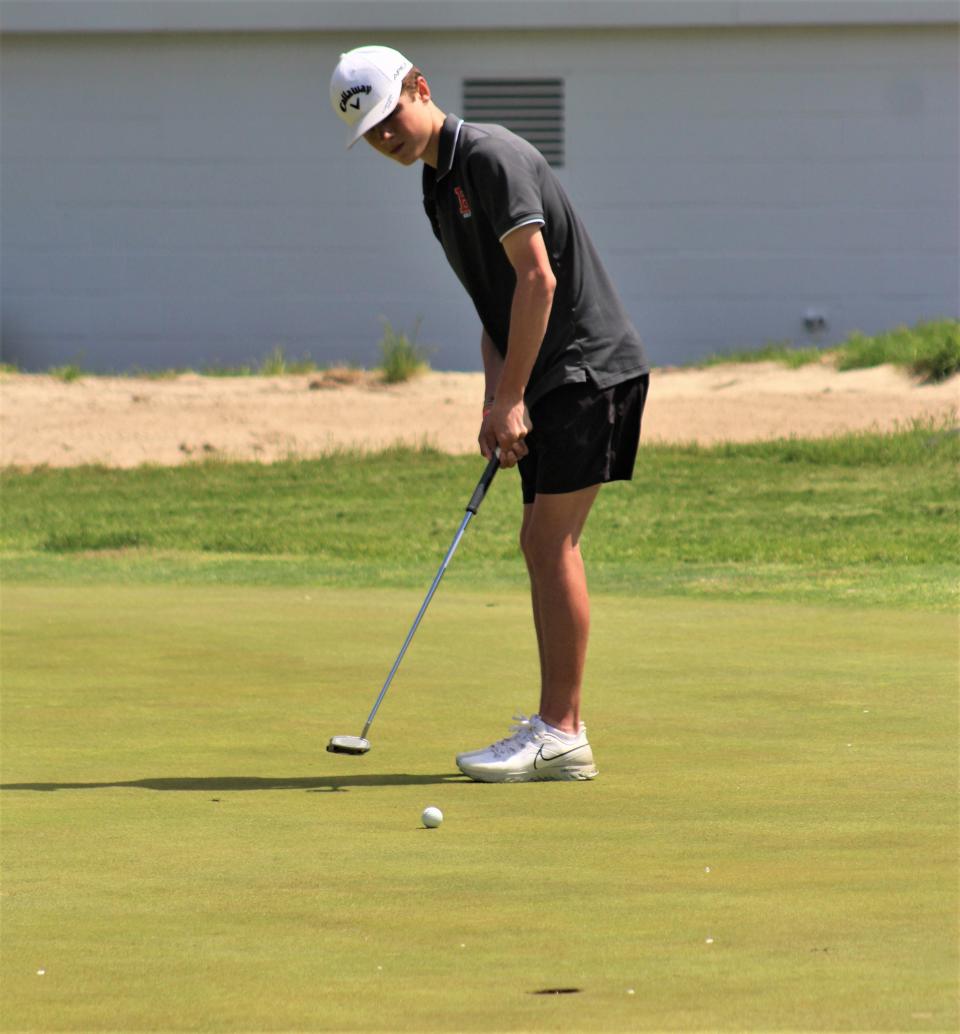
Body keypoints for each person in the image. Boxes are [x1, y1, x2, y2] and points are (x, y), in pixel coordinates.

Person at [330, 46, 649, 783]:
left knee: (548, 543)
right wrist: (493, 397)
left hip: (585, 369)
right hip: (547, 377)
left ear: (421, 87)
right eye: (371, 133)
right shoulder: (438, 188)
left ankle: (562, 732)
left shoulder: (490, 158)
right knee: (540, 544)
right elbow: (496, 307)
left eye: (390, 117)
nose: (386, 138)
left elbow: (538, 281)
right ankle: (555, 726)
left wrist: (512, 396)